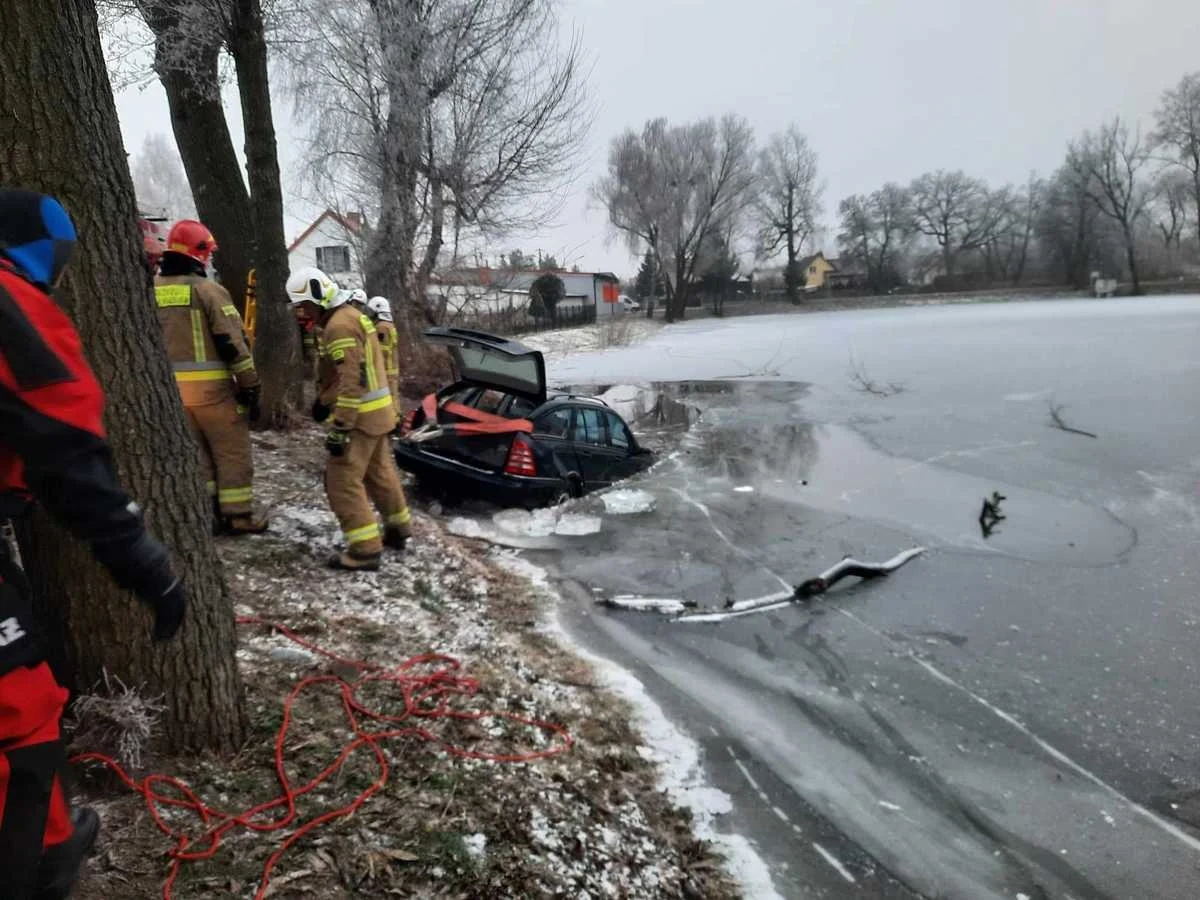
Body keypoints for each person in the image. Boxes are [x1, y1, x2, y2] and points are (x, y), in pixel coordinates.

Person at [0, 188, 187, 899]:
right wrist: (145, 566)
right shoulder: (14, 305)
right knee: (18, 707)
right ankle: (39, 866)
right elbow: (70, 451)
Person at [286, 267, 411, 570]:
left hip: (358, 419)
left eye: (303, 306)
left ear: (317, 297)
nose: (302, 314)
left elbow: (351, 380)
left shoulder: (338, 326)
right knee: (380, 474)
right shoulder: (354, 316)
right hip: (378, 415)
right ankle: (398, 529)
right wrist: (323, 400)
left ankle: (365, 549)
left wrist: (340, 427)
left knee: (341, 481)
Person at [154, 220, 267, 534]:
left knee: (198, 454)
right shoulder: (208, 290)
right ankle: (238, 515)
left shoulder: (151, 290)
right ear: (199, 253)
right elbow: (232, 341)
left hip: (173, 392)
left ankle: (207, 515)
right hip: (212, 392)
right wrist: (250, 386)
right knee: (231, 451)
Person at [365, 296, 401, 416]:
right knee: (393, 396)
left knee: (389, 397)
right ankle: (396, 419)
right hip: (391, 369)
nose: (370, 315)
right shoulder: (388, 325)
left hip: (387, 370)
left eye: (372, 312)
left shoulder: (382, 327)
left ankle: (394, 422)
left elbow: (380, 350)